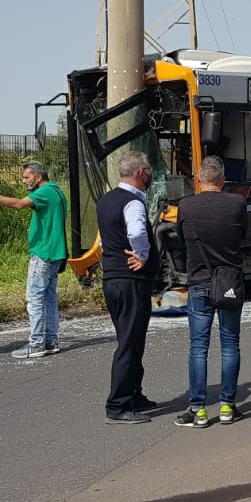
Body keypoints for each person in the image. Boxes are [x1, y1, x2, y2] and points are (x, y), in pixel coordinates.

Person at [173, 156, 247, 428]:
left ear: (199, 178)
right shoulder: (237, 203)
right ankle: (228, 406)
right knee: (230, 345)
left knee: (198, 348)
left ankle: (199, 409)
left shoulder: (187, 205)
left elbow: (181, 241)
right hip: (228, 280)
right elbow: (243, 235)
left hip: (200, 280)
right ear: (223, 179)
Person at [0, 162, 69, 360]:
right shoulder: (57, 191)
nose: (24, 181)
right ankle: (50, 340)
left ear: (38, 177)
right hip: (56, 252)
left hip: (43, 252)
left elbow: (18, 203)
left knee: (35, 299)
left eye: (26, 177)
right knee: (48, 298)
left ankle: (36, 343)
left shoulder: (43, 193)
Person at [98, 150, 159, 424]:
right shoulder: (133, 203)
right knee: (129, 342)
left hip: (112, 278)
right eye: (148, 171)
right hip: (130, 280)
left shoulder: (107, 200)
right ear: (140, 173)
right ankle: (118, 404)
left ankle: (134, 393)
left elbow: (101, 240)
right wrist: (143, 256)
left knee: (132, 339)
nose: (149, 175)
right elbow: (136, 232)